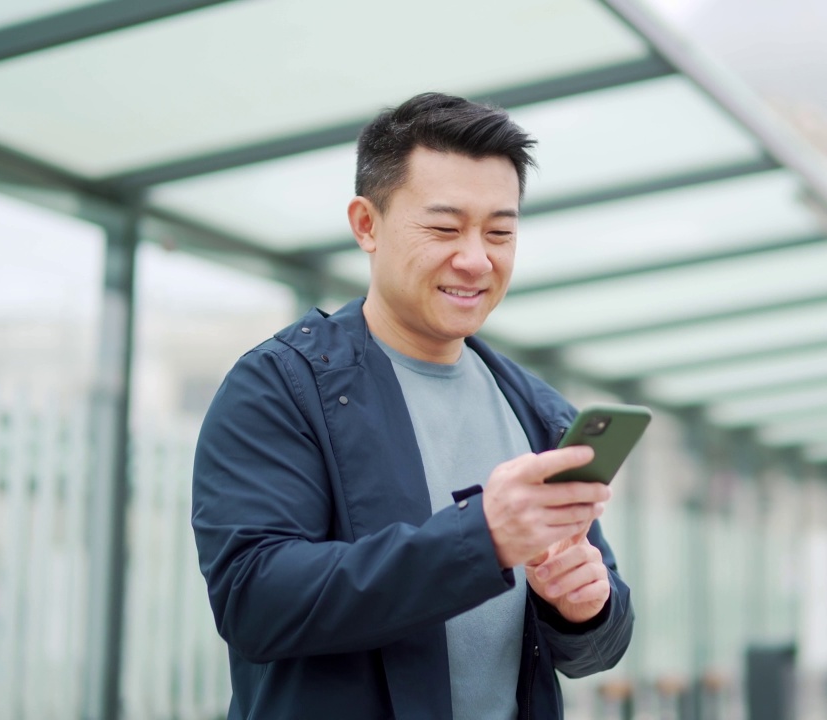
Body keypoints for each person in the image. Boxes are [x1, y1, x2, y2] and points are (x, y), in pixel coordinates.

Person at [191, 92, 635, 720]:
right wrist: (481, 537)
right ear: (366, 224)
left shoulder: (538, 410)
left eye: (500, 232)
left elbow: (596, 645)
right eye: (445, 227)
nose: (476, 259)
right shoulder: (278, 388)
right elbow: (254, 601)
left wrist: (587, 607)